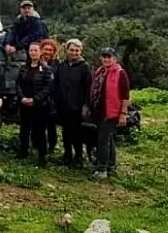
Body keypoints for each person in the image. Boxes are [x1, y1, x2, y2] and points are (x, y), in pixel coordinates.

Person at [87, 47, 130, 180]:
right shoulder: (99, 71)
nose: (106, 59)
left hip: (111, 112)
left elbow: (125, 95)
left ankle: (101, 170)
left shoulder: (120, 73)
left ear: (114, 59)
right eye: (104, 56)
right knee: (108, 138)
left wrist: (123, 113)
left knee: (103, 139)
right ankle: (110, 164)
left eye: (109, 57)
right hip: (98, 111)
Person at [15, 42, 54, 166]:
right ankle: (23, 151)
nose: (33, 53)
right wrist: (22, 98)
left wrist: (35, 99)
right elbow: (18, 84)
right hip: (24, 104)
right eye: (31, 50)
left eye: (36, 50)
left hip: (39, 106)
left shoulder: (46, 69)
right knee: (24, 129)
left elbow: (48, 87)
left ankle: (42, 156)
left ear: (40, 52)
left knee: (39, 131)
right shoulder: (23, 68)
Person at [56, 39, 92, 168]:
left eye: (77, 51)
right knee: (66, 132)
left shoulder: (84, 67)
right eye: (72, 50)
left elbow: (88, 87)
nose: (74, 53)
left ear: (80, 51)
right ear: (67, 50)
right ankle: (67, 155)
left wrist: (86, 105)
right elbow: (57, 84)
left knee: (77, 133)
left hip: (77, 106)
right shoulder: (62, 66)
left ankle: (78, 157)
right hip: (63, 105)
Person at [40, 38, 60, 154]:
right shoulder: (35, 62)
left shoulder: (57, 65)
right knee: (38, 124)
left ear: (54, 52)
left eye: (50, 50)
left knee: (51, 125)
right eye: (45, 49)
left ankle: (52, 145)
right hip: (38, 98)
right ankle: (39, 145)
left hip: (51, 99)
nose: (47, 52)